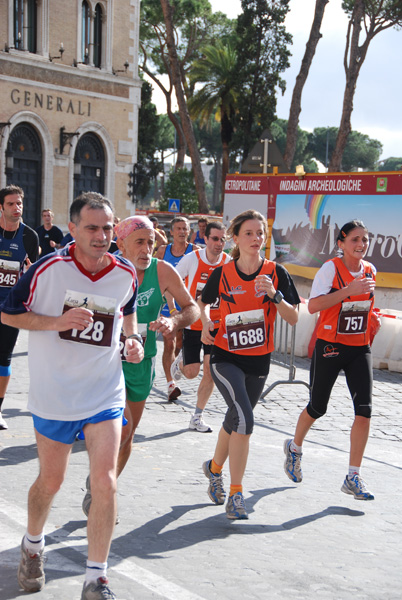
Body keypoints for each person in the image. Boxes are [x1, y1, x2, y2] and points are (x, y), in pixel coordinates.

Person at [1, 192, 144, 599]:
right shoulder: (48, 269)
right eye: (92, 228)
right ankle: (32, 545)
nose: (101, 237)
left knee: (104, 480)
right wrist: (56, 322)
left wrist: (131, 340)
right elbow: (8, 313)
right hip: (55, 394)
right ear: (74, 229)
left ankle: (95, 578)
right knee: (51, 480)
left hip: (104, 391)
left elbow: (127, 311)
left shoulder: (124, 272)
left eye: (107, 228)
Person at [82, 216, 200, 517]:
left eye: (151, 242)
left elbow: (192, 308)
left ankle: (100, 485)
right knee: (114, 428)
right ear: (121, 244)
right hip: (106, 362)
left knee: (128, 434)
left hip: (141, 362)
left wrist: (173, 321)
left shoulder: (162, 271)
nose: (147, 249)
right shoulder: (103, 268)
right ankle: (102, 491)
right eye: (140, 242)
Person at [198, 210, 300, 519]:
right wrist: (204, 323)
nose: (256, 239)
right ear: (236, 238)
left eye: (260, 234)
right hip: (225, 357)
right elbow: (203, 301)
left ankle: (214, 469)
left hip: (258, 361)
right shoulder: (223, 272)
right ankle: (236, 493)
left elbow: (294, 317)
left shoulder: (275, 272)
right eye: (249, 233)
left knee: (235, 420)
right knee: (245, 420)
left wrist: (274, 295)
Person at [283, 219, 378, 501]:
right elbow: (312, 306)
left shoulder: (370, 269)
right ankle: (295, 447)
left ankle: (353, 475)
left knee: (364, 412)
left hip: (359, 346)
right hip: (331, 346)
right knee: (318, 406)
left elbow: (365, 304)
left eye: (365, 239)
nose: (361, 245)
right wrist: (348, 290)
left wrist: (371, 318)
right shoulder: (330, 269)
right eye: (355, 240)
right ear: (341, 243)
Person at [170, 221, 231, 432]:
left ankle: (197, 416)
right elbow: (171, 282)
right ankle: (180, 364)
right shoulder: (192, 259)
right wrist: (173, 308)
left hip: (216, 325)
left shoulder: (228, 262)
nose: (219, 243)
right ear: (205, 239)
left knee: (210, 372)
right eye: (215, 239)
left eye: (223, 239)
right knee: (191, 373)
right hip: (194, 324)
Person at [0, 185, 39, 430]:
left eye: (20, 203)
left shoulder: (29, 237)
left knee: (3, 359)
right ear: (1, 208)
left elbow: (35, 277)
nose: (17, 208)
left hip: (10, 308)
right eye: (11, 204)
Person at [155, 216, 199, 401]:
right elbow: (153, 273)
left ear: (189, 232)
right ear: (171, 232)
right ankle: (170, 384)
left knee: (180, 343)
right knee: (169, 342)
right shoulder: (163, 251)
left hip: (187, 306)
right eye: (178, 228)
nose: (182, 232)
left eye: (185, 229)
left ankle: (177, 367)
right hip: (167, 305)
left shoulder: (195, 251)